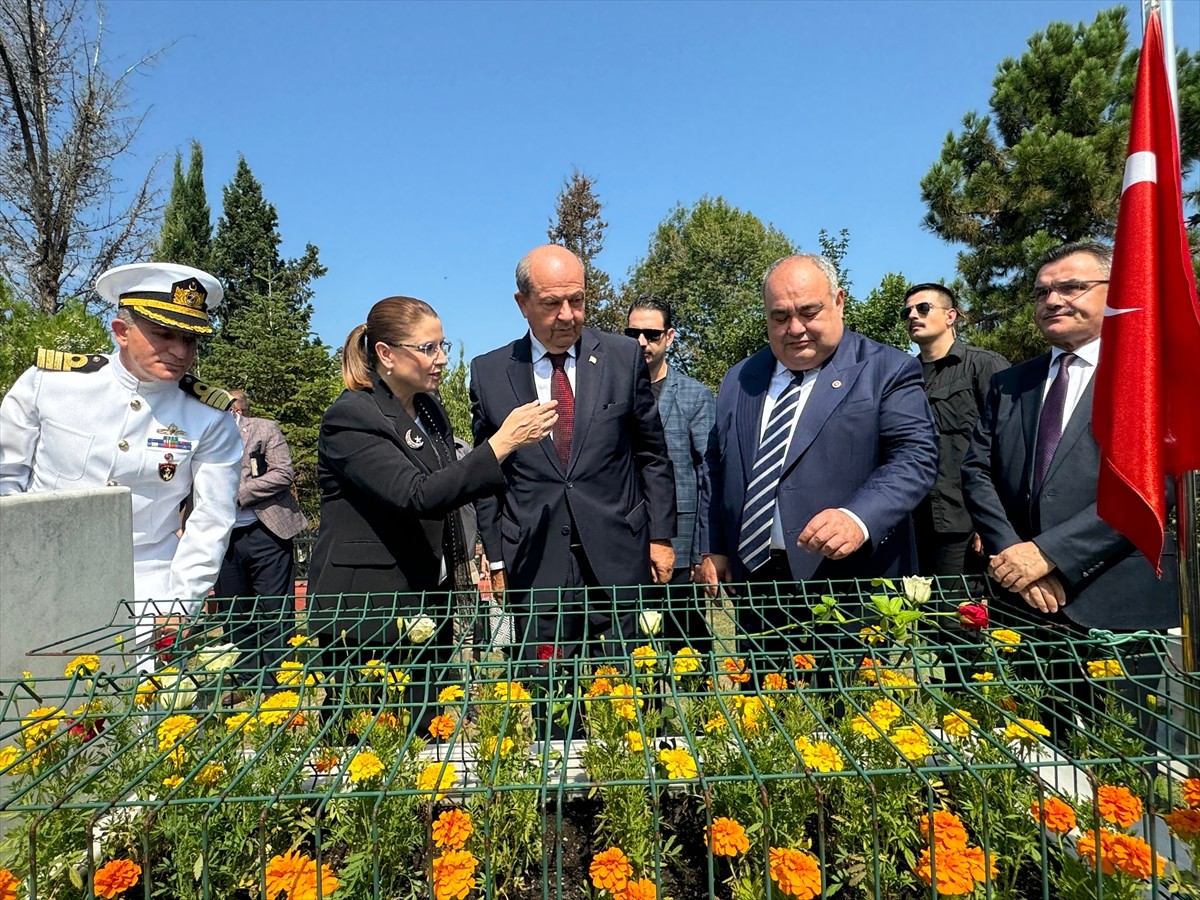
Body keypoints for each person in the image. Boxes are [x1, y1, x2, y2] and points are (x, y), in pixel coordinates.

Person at [961, 241, 1179, 741]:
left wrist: (1050, 555)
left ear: (1114, 292)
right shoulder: (1011, 383)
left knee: (1133, 760)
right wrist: (1017, 557)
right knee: (1039, 752)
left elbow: (1154, 486)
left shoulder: (1150, 376)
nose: (1053, 300)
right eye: (1042, 292)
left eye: (1072, 287)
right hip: (1025, 600)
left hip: (1119, 598)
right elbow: (976, 472)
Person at [308, 296, 557, 721]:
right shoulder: (350, 416)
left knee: (425, 726)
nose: (441, 359)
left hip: (427, 596)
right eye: (428, 349)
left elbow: (451, 486)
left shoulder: (428, 408)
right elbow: (416, 495)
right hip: (370, 607)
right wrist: (502, 443)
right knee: (365, 733)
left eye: (442, 345)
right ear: (386, 354)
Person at [0, 262, 241, 661]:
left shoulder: (209, 417)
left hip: (147, 591)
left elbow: (211, 519)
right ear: (121, 332)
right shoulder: (50, 385)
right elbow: (6, 477)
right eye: (164, 335)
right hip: (38, 576)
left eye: (191, 340)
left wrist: (180, 605)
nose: (181, 352)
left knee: (138, 714)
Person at [698, 254, 939, 653]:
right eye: (779, 317)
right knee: (765, 704)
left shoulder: (887, 369)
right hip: (758, 582)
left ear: (839, 301)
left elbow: (915, 456)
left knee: (849, 711)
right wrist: (715, 546)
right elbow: (716, 464)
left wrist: (857, 516)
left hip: (850, 582)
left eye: (809, 312)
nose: (795, 329)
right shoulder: (740, 378)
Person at [470, 245, 677, 665]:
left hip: (618, 557)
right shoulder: (489, 372)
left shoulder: (622, 357)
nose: (568, 315)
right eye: (551, 303)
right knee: (548, 696)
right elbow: (487, 475)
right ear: (522, 304)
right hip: (533, 561)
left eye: (577, 300)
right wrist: (494, 557)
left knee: (623, 696)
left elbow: (652, 454)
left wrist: (660, 536)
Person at [626, 295, 716, 651]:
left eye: (651, 333)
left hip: (680, 550)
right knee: (635, 656)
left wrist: (701, 553)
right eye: (633, 333)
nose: (641, 342)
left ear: (670, 337)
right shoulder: (614, 395)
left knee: (687, 652)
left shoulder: (695, 396)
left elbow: (708, 477)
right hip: (628, 548)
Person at [902, 283, 1009, 577]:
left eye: (923, 308)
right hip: (910, 524)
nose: (913, 315)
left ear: (950, 316)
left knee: (955, 620)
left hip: (964, 524)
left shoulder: (984, 365)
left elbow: (1009, 448)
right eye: (907, 311)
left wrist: (992, 524)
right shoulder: (902, 375)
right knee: (910, 619)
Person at [214, 390, 308, 686]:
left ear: (237, 408)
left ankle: (276, 680)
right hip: (223, 535)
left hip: (267, 531)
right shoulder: (202, 434)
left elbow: (283, 473)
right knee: (235, 611)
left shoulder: (264, 428)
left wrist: (239, 494)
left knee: (275, 610)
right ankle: (244, 679)